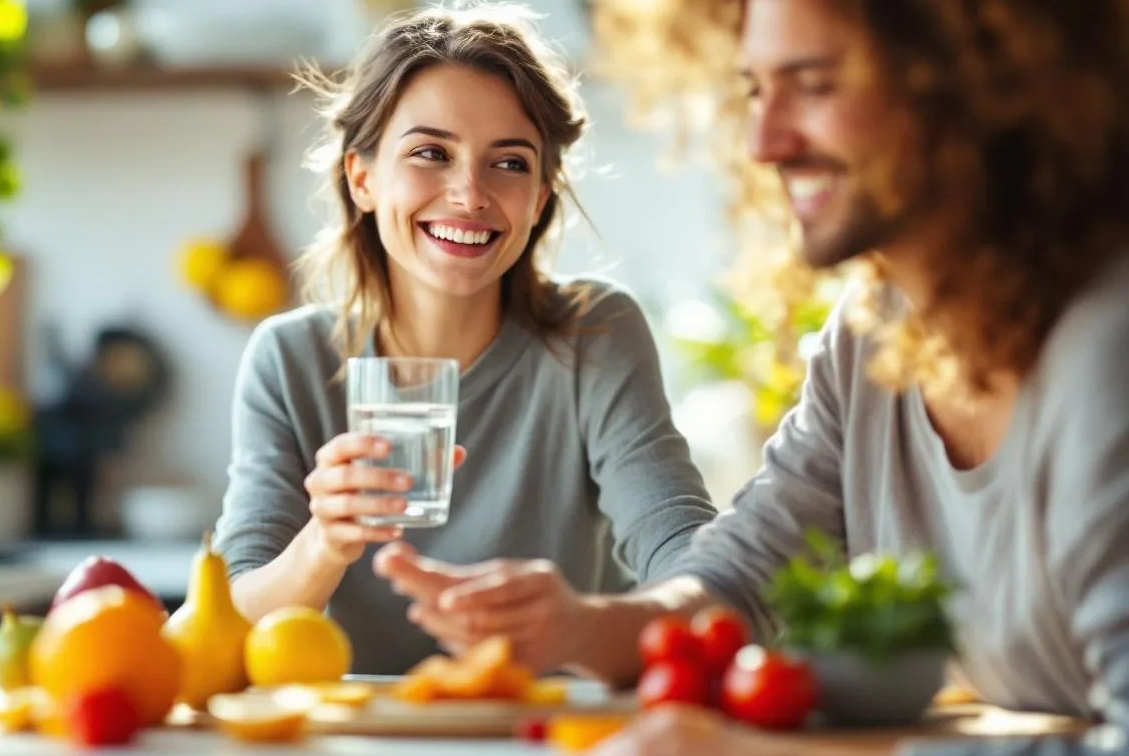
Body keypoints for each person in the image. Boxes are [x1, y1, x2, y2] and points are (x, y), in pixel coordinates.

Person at [389, 1, 1129, 754]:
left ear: (973, 90)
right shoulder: (872, 330)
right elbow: (741, 578)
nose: (764, 142)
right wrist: (577, 625)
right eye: (754, 90)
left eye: (813, 85)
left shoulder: (1107, 344)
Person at [211, 3, 715, 676]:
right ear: (363, 177)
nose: (469, 193)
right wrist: (324, 543)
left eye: (508, 163)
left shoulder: (594, 336)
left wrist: (578, 626)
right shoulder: (291, 360)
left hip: (550, 733)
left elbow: (695, 563)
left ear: (539, 198)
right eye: (430, 154)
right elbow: (230, 623)